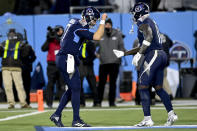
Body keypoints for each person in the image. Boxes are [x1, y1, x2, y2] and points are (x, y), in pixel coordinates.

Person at [113, 2, 178, 126]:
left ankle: (147, 119)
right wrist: (124, 53)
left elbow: (148, 38)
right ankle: (171, 114)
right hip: (160, 55)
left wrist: (139, 55)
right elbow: (143, 45)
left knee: (143, 86)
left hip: (154, 55)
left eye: (134, 13)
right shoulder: (149, 22)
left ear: (139, 12)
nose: (133, 16)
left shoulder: (144, 23)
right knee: (158, 88)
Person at [50, 6, 107, 127]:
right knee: (76, 88)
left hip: (66, 57)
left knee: (72, 89)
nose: (95, 22)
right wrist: (103, 20)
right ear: (89, 17)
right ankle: (76, 120)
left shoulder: (75, 21)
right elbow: (97, 36)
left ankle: (57, 114)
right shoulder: (79, 27)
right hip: (66, 58)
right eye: (94, 20)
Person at [96, 18, 126, 107]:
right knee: (101, 83)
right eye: (106, 24)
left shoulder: (118, 34)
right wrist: (96, 55)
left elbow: (122, 47)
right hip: (103, 63)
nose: (107, 26)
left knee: (113, 84)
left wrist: (122, 54)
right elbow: (92, 46)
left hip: (115, 63)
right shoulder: (100, 34)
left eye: (109, 24)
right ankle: (98, 102)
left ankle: (112, 102)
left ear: (111, 25)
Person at [0, 29, 30, 109]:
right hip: (5, 67)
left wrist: (26, 46)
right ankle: (11, 103)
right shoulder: (3, 43)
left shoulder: (20, 43)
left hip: (16, 67)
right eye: (10, 33)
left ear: (15, 34)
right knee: (7, 86)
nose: (11, 35)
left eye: (13, 34)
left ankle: (23, 103)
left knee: (19, 86)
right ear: (8, 34)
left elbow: (24, 55)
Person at [41, 25, 65, 108]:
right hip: (51, 65)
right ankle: (49, 103)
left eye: (60, 30)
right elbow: (43, 48)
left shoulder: (64, 39)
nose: (58, 32)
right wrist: (48, 39)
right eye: (57, 30)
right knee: (50, 84)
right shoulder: (51, 40)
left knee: (61, 85)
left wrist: (57, 37)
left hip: (61, 64)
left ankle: (62, 103)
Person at [78, 39, 100, 107]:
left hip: (88, 65)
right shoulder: (77, 42)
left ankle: (96, 102)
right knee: (79, 84)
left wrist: (88, 60)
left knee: (92, 83)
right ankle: (81, 102)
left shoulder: (90, 43)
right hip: (80, 63)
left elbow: (94, 54)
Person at [17, 32, 36, 106]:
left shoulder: (28, 46)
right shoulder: (15, 47)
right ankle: (21, 101)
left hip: (25, 69)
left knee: (26, 86)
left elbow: (33, 57)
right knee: (20, 85)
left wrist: (28, 62)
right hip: (18, 68)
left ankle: (26, 101)